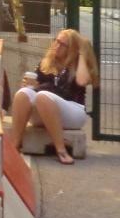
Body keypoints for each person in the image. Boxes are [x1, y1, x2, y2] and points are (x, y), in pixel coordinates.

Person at [9, 28, 97, 164]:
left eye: (62, 44)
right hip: (45, 110)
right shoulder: (47, 63)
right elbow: (35, 88)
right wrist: (29, 85)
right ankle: (15, 145)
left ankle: (61, 149)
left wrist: (82, 54)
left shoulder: (77, 65)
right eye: (57, 41)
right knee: (23, 94)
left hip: (73, 112)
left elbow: (82, 81)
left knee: (43, 96)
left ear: (71, 49)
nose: (57, 45)